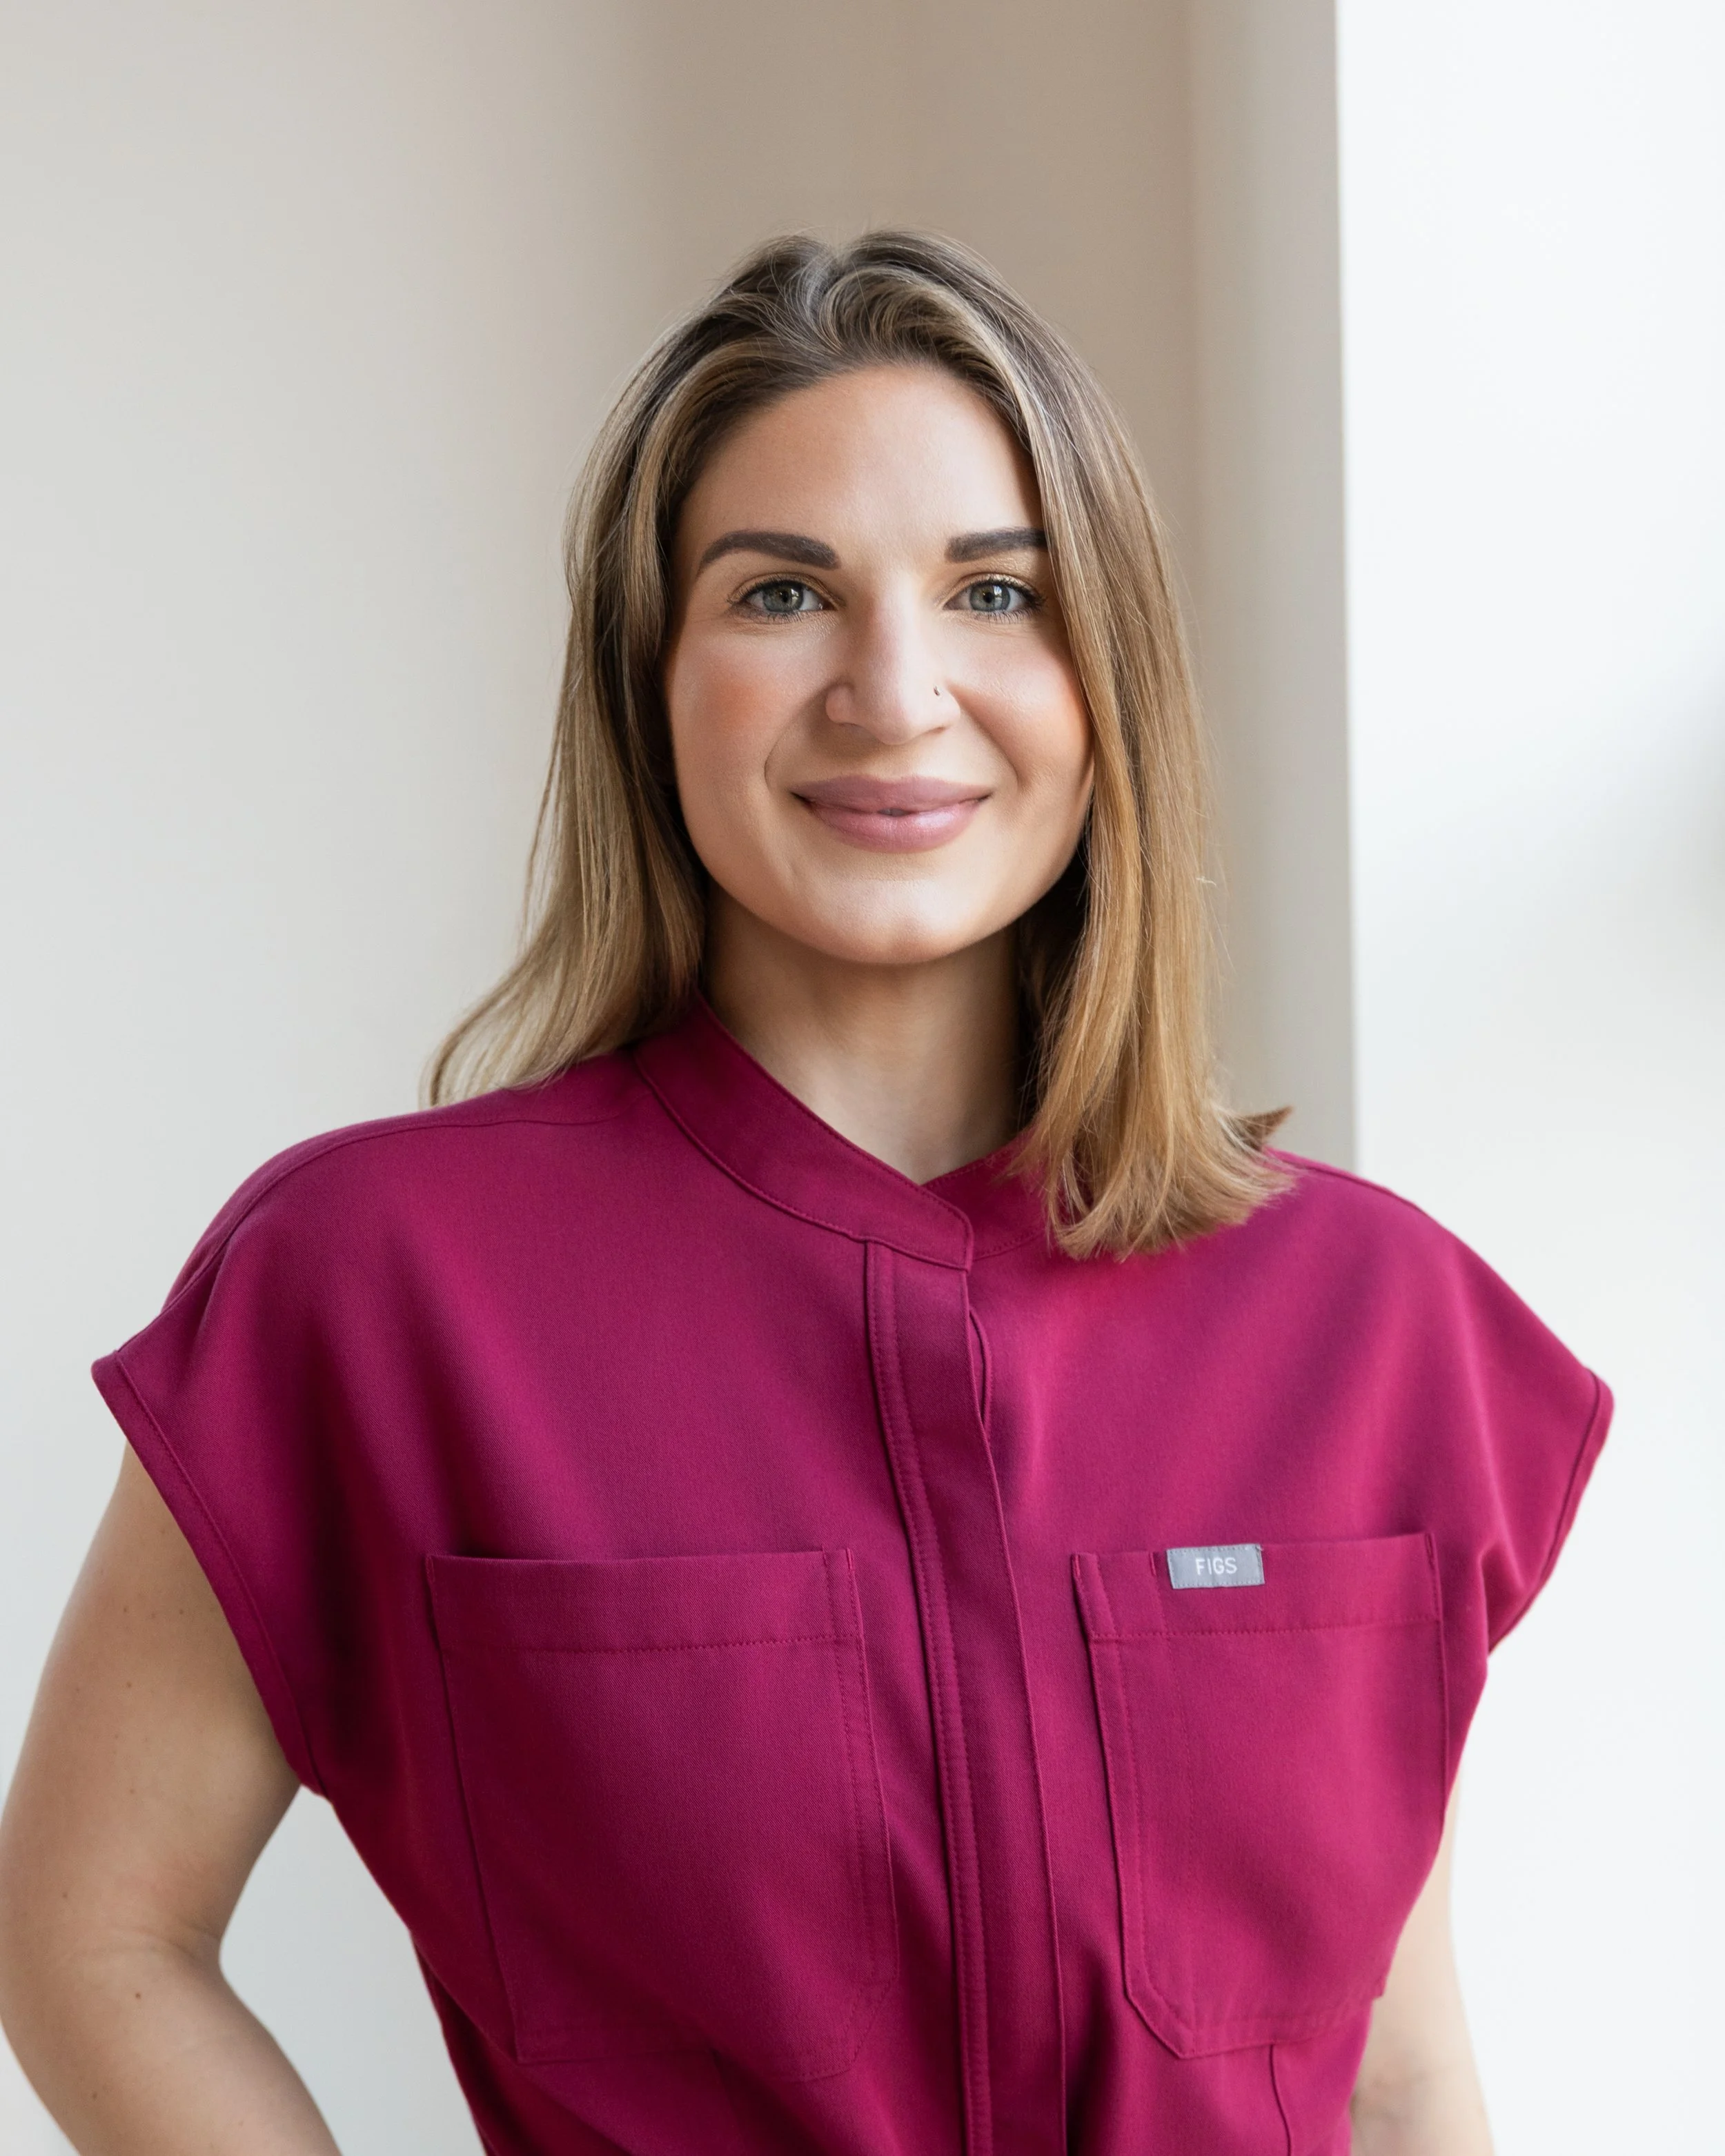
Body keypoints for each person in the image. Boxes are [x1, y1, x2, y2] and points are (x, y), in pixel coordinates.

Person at [0, 231, 1608, 2156]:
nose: (892, 689)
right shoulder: (363, 1291)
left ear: (1108, 680)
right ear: (650, 678)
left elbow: (1396, 2062)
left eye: (995, 590)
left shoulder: (1376, 1318)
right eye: (781, 592)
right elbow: (89, 1928)